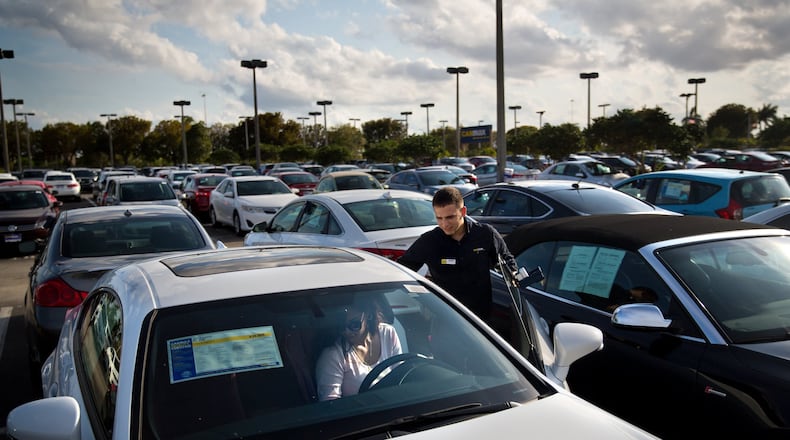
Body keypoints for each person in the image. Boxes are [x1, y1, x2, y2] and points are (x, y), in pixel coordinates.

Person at [398, 186, 518, 323]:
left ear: (463, 211)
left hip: (481, 321)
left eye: (450, 217)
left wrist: (513, 274)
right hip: (445, 320)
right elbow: (402, 270)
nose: (444, 224)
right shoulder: (429, 241)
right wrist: (422, 296)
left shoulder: (485, 235)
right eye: (439, 218)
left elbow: (507, 261)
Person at [315, 297, 402, 401]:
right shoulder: (333, 355)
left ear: (368, 315)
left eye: (354, 325)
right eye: (341, 326)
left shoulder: (388, 333)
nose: (347, 332)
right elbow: (330, 405)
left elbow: (400, 375)